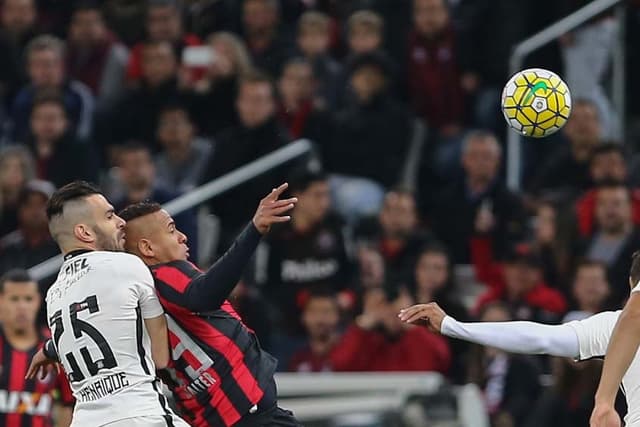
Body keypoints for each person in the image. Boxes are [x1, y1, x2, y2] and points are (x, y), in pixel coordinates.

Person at [116, 183, 302, 426]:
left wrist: (50, 350)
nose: (182, 236)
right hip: (245, 415)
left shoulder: (127, 298)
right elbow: (204, 295)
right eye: (171, 230)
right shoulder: (164, 273)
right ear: (148, 248)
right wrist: (253, 230)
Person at [397, 251, 640, 426]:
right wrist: (454, 326)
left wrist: (604, 400)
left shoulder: (616, 324)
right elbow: (538, 336)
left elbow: (539, 337)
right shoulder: (614, 326)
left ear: (631, 285)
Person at [28, 181, 188, 427]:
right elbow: (160, 357)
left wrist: (51, 349)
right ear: (85, 232)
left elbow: (93, 323)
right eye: (110, 216)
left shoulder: (54, 294)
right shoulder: (128, 266)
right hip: (141, 416)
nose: (121, 222)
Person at [0, 269, 74, 426]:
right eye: (14, 299)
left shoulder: (55, 346)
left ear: (38, 301)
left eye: (28, 299)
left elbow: (67, 404)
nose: (22, 307)